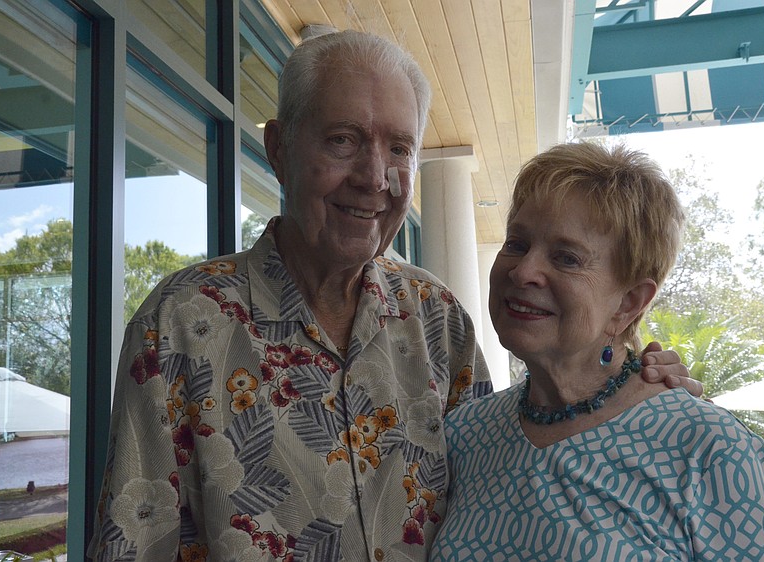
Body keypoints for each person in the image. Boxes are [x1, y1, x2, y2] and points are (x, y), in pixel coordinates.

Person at [88, 31, 698, 561]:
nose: (374, 178)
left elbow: (511, 467)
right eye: (343, 140)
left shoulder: (437, 321)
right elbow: (132, 542)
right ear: (278, 150)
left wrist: (632, 386)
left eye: (400, 148)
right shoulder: (183, 321)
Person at [429, 142, 764, 561]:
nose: (523, 271)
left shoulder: (708, 449)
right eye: (517, 243)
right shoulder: (464, 435)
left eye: (566, 258)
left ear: (629, 303)